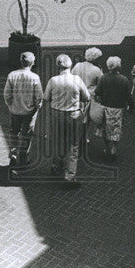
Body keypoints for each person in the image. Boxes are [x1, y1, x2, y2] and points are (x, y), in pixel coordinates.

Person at [44, 53, 90, 185]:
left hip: (57, 114)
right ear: (70, 66)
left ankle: (56, 165)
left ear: (58, 66)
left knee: (58, 142)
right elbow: (87, 97)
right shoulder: (77, 80)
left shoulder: (53, 80)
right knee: (73, 145)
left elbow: (46, 98)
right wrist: (81, 110)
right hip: (73, 115)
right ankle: (70, 176)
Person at [2, 51, 44, 168]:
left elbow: (6, 93)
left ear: (21, 61)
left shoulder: (12, 75)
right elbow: (39, 96)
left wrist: (10, 105)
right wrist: (37, 105)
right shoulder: (35, 77)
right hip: (29, 112)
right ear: (32, 63)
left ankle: (14, 155)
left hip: (15, 110)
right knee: (26, 135)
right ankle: (23, 158)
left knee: (14, 132)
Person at [94, 57, 130, 159]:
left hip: (106, 107)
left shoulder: (104, 78)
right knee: (116, 129)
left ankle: (107, 147)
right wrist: (131, 106)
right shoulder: (124, 79)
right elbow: (128, 95)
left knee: (105, 129)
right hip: (118, 108)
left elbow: (97, 92)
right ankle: (114, 147)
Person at [71, 47, 104, 144]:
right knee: (86, 120)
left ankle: (73, 136)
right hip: (89, 97)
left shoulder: (77, 66)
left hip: (76, 94)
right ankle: (83, 137)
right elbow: (101, 83)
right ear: (96, 59)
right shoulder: (97, 70)